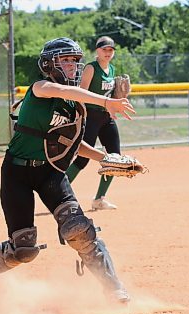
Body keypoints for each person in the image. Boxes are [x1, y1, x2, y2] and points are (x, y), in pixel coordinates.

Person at [0, 37, 135, 303]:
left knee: (78, 229)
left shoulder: (73, 104)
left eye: (75, 61)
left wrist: (105, 157)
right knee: (23, 249)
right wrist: (106, 103)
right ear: (49, 63)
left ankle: (113, 288)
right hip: (17, 174)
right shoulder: (41, 87)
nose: (72, 65)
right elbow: (66, 92)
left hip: (50, 173)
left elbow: (71, 141)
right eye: (66, 60)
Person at [65, 36, 123, 211]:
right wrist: (79, 116)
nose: (108, 53)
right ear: (97, 50)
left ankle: (99, 199)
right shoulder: (91, 68)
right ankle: (57, 194)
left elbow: (110, 97)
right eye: (104, 49)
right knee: (82, 159)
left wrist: (119, 98)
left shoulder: (111, 69)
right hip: (90, 116)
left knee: (115, 159)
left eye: (111, 50)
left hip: (107, 118)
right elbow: (81, 94)